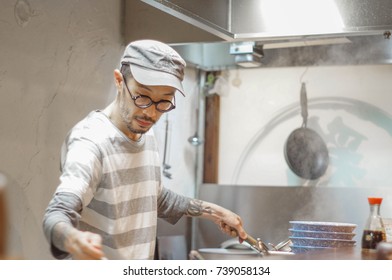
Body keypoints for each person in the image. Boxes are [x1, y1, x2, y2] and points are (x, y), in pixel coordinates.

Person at [42, 39, 247, 260]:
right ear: (119, 81)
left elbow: (152, 196)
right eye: (142, 97)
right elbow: (57, 213)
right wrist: (73, 239)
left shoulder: (144, 131)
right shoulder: (90, 141)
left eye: (164, 102)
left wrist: (216, 212)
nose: (151, 113)